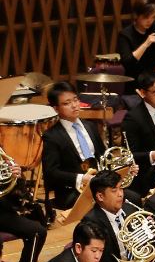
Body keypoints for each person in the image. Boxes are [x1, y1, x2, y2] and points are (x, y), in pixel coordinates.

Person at [41, 82, 112, 211]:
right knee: (105, 204)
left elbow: (103, 156)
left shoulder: (90, 126)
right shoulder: (51, 136)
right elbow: (51, 173)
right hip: (72, 191)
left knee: (132, 197)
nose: (74, 105)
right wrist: (81, 179)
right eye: (67, 103)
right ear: (56, 109)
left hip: (99, 184)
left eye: (75, 100)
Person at [116, 0, 155, 82]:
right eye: (146, 17)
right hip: (135, 83)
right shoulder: (125, 35)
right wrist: (146, 44)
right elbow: (127, 63)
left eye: (153, 17)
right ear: (136, 15)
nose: (150, 21)